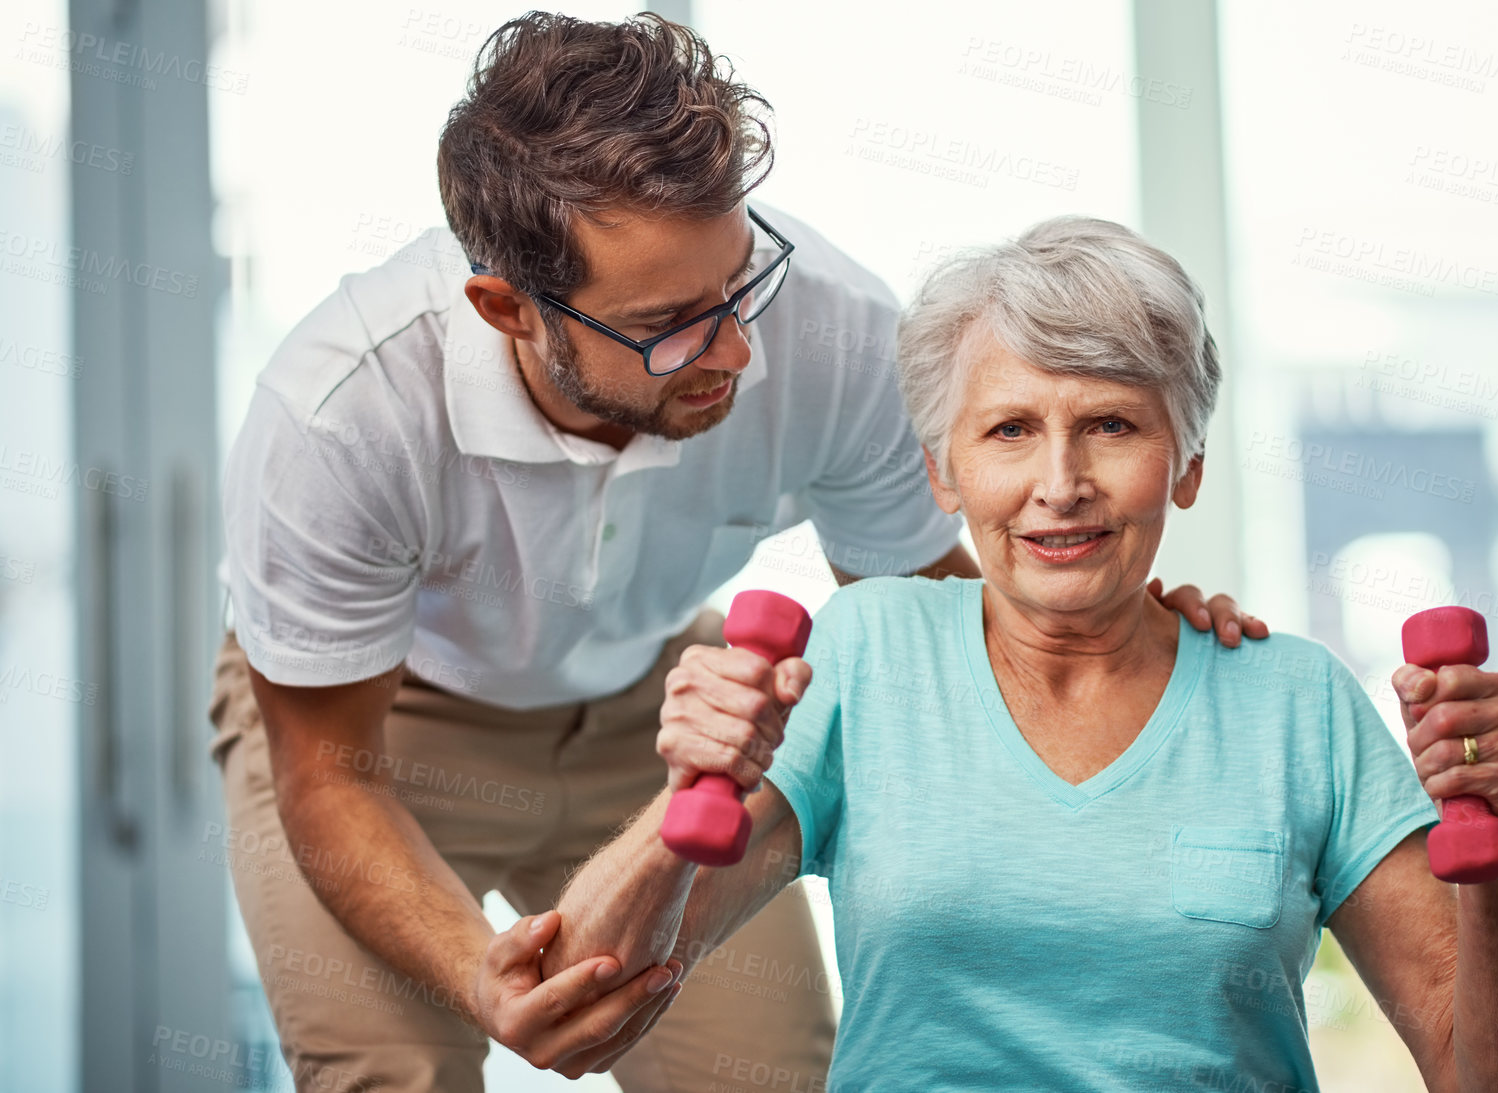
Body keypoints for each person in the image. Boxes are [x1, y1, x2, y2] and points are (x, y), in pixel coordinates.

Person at [207, 13, 1264, 1091]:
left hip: (661, 708)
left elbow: (922, 615)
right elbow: (326, 773)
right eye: (669, 322)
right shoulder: (340, 410)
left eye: (740, 280)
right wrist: (482, 981)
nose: (739, 348)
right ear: (506, 309)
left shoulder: (837, 331)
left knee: (763, 1077)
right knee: (396, 1076)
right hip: (382, 730)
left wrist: (1120, 630)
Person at [525, 215, 1498, 1090]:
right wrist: (687, 793)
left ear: (1189, 465)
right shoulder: (865, 655)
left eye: (1112, 425)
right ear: (941, 472)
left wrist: (1484, 840)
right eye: (1010, 430)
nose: (1060, 481)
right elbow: (581, 993)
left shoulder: (1295, 700)